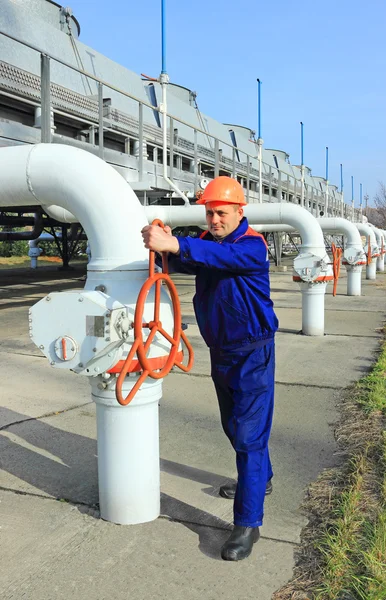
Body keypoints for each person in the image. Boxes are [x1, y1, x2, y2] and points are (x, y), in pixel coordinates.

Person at [141, 176, 278, 561]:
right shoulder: (209, 243)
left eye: (221, 212)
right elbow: (187, 258)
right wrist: (162, 242)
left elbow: (222, 259)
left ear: (239, 212)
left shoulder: (251, 247)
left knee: (250, 438)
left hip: (253, 354)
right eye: (209, 212)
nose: (214, 218)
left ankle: (247, 524)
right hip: (222, 352)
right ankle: (260, 479)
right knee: (233, 426)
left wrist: (178, 243)